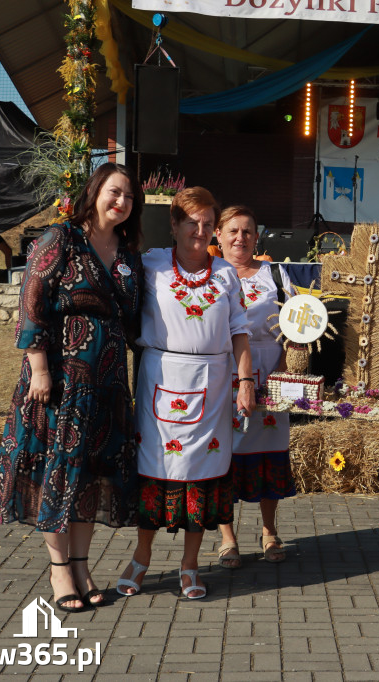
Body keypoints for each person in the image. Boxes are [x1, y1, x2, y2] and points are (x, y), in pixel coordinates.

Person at [0, 162, 144, 613]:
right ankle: (58, 570)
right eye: (115, 192)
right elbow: (32, 303)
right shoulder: (61, 239)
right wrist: (39, 369)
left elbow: (134, 322)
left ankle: (81, 565)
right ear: (94, 193)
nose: (122, 203)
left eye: (130, 197)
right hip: (60, 380)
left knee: (90, 475)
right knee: (58, 471)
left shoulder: (129, 255)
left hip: (108, 383)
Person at [115, 187, 255, 600]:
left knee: (201, 475)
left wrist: (245, 381)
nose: (200, 229)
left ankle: (190, 565)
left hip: (212, 385)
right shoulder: (150, 265)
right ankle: (141, 558)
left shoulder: (227, 274)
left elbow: (240, 332)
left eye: (208, 223)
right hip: (161, 378)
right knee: (155, 470)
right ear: (174, 225)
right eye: (191, 222)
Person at [209, 205, 297, 568]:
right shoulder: (209, 274)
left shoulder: (275, 274)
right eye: (232, 231)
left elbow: (298, 326)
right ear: (218, 235)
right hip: (222, 374)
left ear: (256, 237)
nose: (240, 238)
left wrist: (282, 367)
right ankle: (227, 537)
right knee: (222, 454)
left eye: (247, 231)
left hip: (270, 370)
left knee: (269, 450)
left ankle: (269, 530)